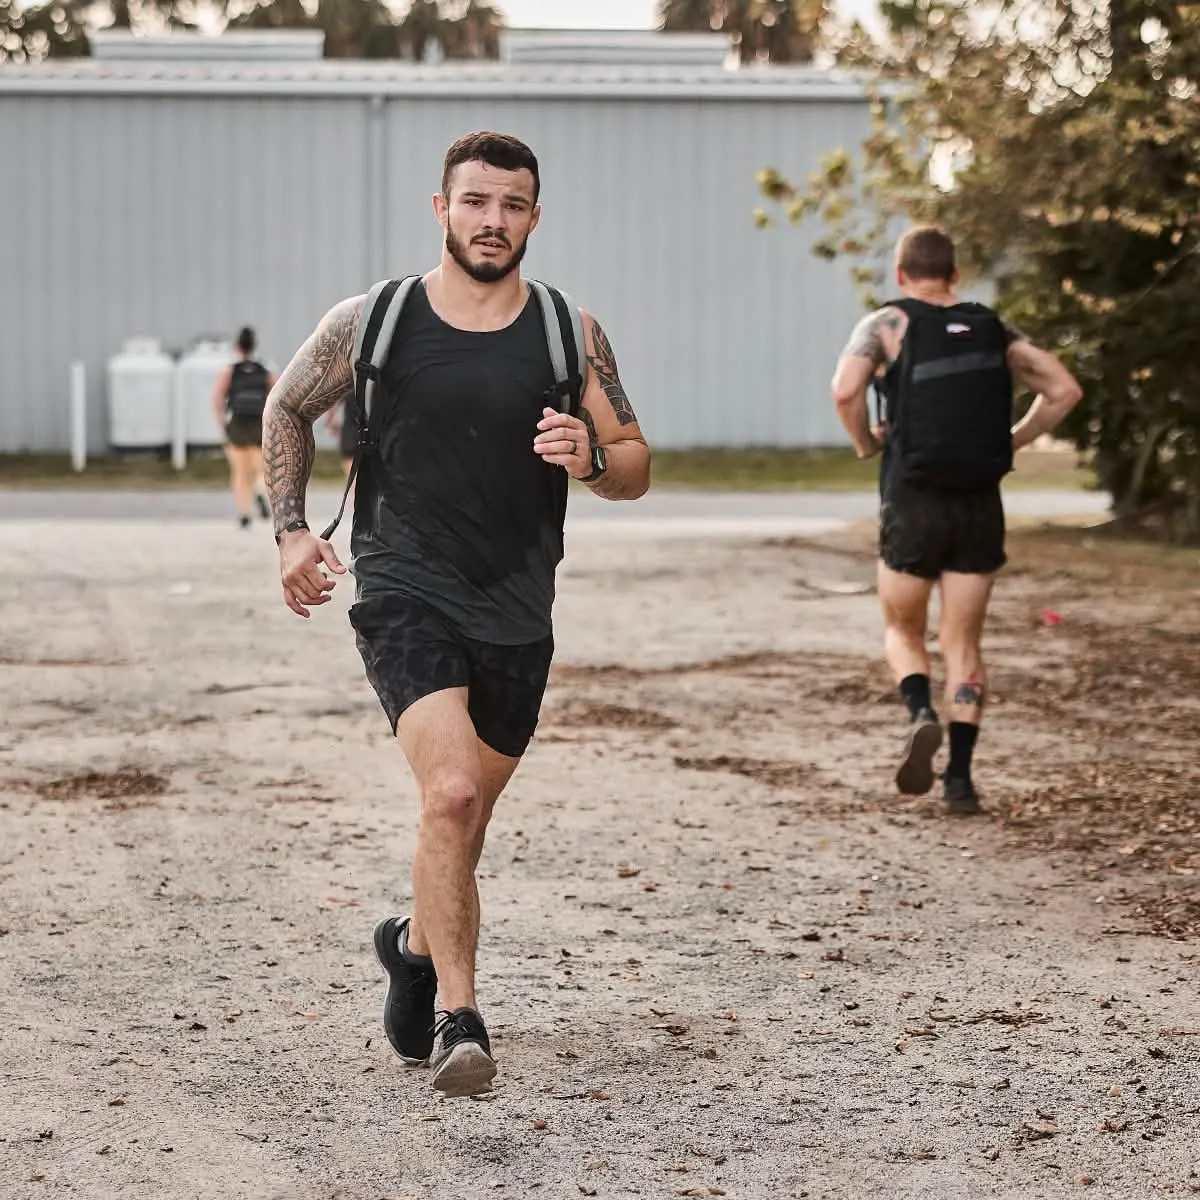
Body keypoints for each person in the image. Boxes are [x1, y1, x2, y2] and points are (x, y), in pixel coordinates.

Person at [261, 131, 651, 1097]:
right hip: (404, 588)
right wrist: (291, 532)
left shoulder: (571, 332)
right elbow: (283, 410)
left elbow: (636, 462)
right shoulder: (374, 320)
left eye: (512, 205)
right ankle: (461, 1020)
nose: (493, 221)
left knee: (462, 826)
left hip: (519, 603)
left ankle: (410, 946)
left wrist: (590, 460)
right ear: (442, 208)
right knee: (453, 797)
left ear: (534, 217)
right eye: (475, 202)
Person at [830, 225, 1082, 815]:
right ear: (954, 274)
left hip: (912, 500)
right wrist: (1012, 441)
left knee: (903, 631)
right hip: (978, 503)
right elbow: (1065, 390)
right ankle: (961, 782)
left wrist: (867, 442)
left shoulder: (885, 325)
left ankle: (921, 714)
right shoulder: (994, 329)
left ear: (901, 275)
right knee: (963, 643)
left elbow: (845, 392)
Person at [211, 327, 276, 527]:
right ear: (254, 346)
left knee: (239, 472)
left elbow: (217, 399)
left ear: (238, 347)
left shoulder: (229, 370)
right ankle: (258, 491)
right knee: (261, 469)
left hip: (238, 424)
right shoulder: (265, 370)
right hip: (258, 424)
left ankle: (244, 513)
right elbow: (279, 396)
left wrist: (223, 424)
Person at [323, 399, 358, 479]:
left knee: (348, 457)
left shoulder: (349, 387)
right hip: (367, 427)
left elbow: (334, 403)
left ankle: (354, 484)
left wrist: (329, 421)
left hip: (350, 427)